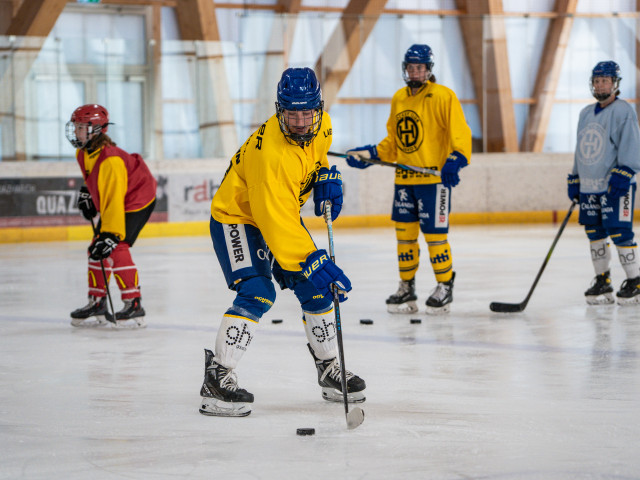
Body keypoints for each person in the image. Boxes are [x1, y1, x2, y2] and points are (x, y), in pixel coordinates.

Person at [199, 67, 366, 417]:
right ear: (280, 111)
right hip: (238, 218)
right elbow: (276, 227)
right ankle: (217, 377)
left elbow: (316, 157)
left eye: (308, 113)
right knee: (259, 290)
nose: (302, 123)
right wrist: (314, 261)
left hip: (277, 215)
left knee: (317, 291)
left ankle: (328, 369)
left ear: (318, 108)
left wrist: (325, 175)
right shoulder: (271, 158)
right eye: (293, 115)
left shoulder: (324, 125)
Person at [344, 44, 472, 314]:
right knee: (404, 238)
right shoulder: (399, 98)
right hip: (404, 181)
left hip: (433, 183)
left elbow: (460, 133)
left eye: (420, 67)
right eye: (411, 67)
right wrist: (367, 155)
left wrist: (456, 159)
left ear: (428, 70)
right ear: (405, 68)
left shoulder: (443, 96)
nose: (415, 72)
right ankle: (406, 287)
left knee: (435, 237)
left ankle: (445, 286)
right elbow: (393, 142)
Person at [66, 104, 157, 328]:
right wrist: (88, 193)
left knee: (116, 245)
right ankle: (97, 302)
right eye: (75, 126)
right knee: (96, 248)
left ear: (95, 129)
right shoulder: (83, 152)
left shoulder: (111, 160)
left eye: (80, 127)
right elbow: (95, 180)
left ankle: (134, 304)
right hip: (121, 196)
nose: (75, 131)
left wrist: (111, 234)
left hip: (137, 197)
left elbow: (113, 200)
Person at [568, 61, 640, 305]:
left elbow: (631, 143)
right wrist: (575, 177)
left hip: (614, 185)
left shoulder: (623, 111)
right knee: (594, 233)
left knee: (619, 232)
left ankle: (635, 281)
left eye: (605, 80)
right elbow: (581, 148)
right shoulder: (585, 113)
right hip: (590, 186)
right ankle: (603, 281)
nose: (600, 85)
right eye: (597, 80)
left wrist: (626, 170)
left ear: (615, 84)